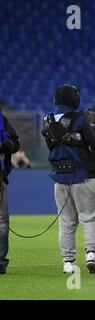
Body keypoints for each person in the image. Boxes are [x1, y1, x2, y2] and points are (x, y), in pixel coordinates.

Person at [42, 84, 95, 274]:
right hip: (83, 176)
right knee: (92, 218)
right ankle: (91, 254)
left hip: (60, 178)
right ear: (74, 99)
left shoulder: (47, 120)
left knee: (66, 222)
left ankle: (68, 263)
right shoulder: (80, 119)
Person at [0, 110, 20, 275]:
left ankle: (0, 262)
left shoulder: (1, 119)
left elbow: (15, 142)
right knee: (2, 221)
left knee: (2, 220)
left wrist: (6, 146)